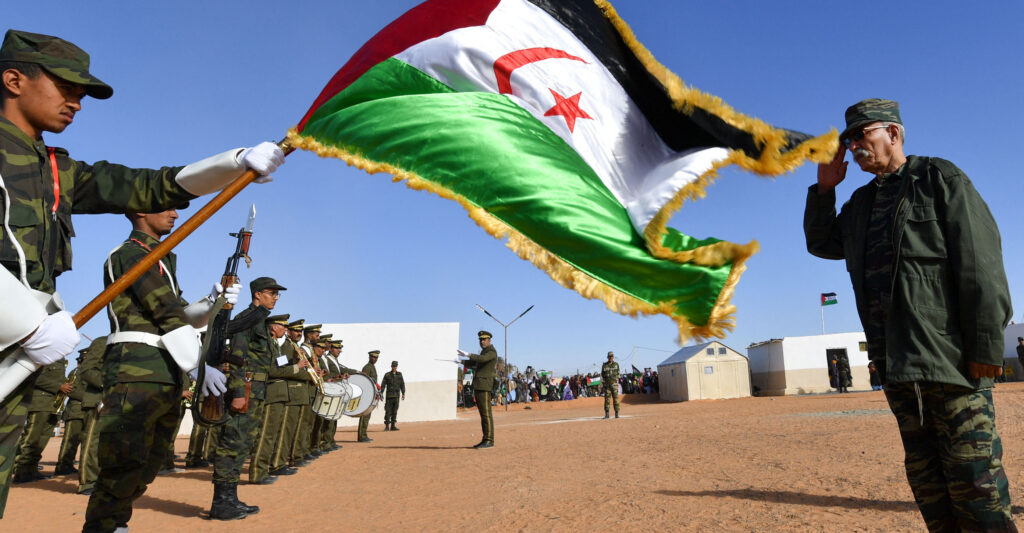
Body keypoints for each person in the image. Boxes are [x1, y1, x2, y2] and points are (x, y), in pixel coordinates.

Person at [0, 29, 285, 517]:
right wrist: (21, 320)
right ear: (13, 80)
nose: (77, 102)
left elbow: (148, 186)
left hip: (21, 354)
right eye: (65, 86)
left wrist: (234, 162)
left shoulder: (57, 170)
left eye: (82, 94)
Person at [805, 98, 1014, 531]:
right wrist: (825, 190)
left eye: (862, 135)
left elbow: (981, 263)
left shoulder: (938, 179)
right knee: (931, 490)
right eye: (849, 140)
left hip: (951, 363)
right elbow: (822, 242)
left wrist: (985, 345)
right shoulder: (861, 204)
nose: (854, 147)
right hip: (899, 370)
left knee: (977, 490)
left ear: (893, 134)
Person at [83, 208, 234, 532]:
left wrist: (212, 302)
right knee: (123, 466)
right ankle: (104, 527)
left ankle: (116, 523)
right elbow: (166, 313)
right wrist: (197, 364)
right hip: (135, 372)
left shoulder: (160, 259)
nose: (175, 213)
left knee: (147, 465)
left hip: (163, 373)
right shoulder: (130, 254)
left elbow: (179, 314)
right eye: (164, 206)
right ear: (139, 210)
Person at [208, 276, 285, 520]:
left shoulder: (260, 322)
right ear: (258, 294)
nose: (275, 297)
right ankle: (221, 503)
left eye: (276, 294)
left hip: (258, 392)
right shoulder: (248, 320)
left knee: (243, 444)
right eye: (272, 293)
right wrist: (239, 393)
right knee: (232, 443)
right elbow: (237, 359)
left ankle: (230, 498)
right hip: (247, 391)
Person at [249, 313, 290, 485]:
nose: (285, 330)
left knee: (271, 435)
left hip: (278, 393)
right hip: (271, 393)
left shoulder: (275, 345)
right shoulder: (268, 343)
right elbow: (271, 370)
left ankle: (263, 470)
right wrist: (296, 368)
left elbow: (280, 366)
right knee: (265, 434)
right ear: (273, 327)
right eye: (283, 326)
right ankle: (258, 473)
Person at [12, 358, 66, 482]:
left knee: (42, 440)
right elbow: (35, 377)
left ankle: (31, 469)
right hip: (39, 403)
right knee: (31, 438)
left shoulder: (60, 358)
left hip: (52, 404)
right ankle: (21, 471)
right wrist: (59, 386)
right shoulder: (44, 356)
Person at [76, 335, 106, 496]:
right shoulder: (103, 341)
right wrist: (107, 383)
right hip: (98, 399)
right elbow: (87, 369)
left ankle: (101, 479)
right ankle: (87, 482)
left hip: (120, 400)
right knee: (92, 442)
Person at [458, 331, 497, 449]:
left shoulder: (491, 352)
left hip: (485, 386)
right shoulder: (484, 352)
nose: (482, 342)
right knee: (483, 414)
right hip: (480, 385)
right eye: (480, 340)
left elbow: (482, 359)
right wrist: (460, 361)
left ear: (489, 340)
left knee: (486, 414)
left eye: (484, 339)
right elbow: (475, 362)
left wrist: (468, 354)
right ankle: (486, 439)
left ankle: (489, 440)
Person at [54, 351, 84, 477]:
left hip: (84, 411)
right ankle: (62, 466)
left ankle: (68, 464)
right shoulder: (77, 373)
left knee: (78, 440)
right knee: (70, 440)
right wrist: (90, 398)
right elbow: (70, 391)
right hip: (75, 411)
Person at [357, 350, 380, 443]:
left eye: (376, 358)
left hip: (371, 395)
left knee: (367, 416)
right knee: (364, 416)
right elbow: (364, 381)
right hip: (367, 395)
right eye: (373, 357)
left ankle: (364, 434)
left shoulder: (372, 367)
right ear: (369, 357)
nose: (374, 359)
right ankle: (361, 436)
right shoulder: (367, 367)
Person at [380, 360, 405, 431]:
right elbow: (383, 384)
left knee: (395, 411)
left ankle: (393, 426)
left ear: (397, 367)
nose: (394, 367)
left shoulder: (399, 375)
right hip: (389, 396)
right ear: (391, 366)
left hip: (396, 396)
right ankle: (387, 426)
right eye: (393, 366)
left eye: (395, 366)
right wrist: (381, 393)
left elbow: (402, 384)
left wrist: (403, 393)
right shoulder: (387, 375)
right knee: (388, 411)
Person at [601, 352, 620, 419]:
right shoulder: (604, 365)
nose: (611, 357)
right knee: (607, 400)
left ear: (613, 357)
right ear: (607, 357)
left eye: (612, 356)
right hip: (607, 385)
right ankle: (607, 414)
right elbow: (602, 374)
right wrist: (605, 381)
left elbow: (618, 373)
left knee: (616, 399)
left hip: (614, 385)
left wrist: (615, 379)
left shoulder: (616, 364)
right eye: (609, 356)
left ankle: (617, 414)